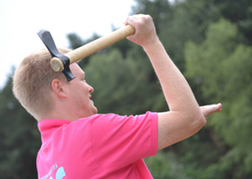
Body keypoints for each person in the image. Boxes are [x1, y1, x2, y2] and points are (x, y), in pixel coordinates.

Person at [13, 14, 222, 179]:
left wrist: (180, 115)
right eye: (82, 79)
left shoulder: (45, 161)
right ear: (60, 89)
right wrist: (151, 42)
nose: (90, 87)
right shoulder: (91, 135)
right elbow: (189, 120)